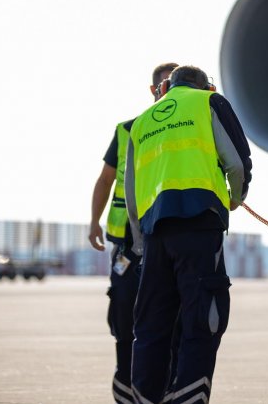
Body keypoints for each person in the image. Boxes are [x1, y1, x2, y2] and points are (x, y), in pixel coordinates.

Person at [125, 65, 252, 404]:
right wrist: (236, 197)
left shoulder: (141, 122)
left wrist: (141, 243)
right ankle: (188, 396)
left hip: (155, 233)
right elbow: (237, 163)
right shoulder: (209, 103)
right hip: (198, 223)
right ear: (204, 85)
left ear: (166, 86)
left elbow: (132, 196)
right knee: (203, 317)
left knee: (151, 324)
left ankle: (146, 397)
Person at [88, 62, 178, 404]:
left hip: (166, 241)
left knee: (171, 321)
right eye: (165, 86)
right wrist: (93, 221)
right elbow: (105, 179)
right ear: (153, 90)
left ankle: (165, 388)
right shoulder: (128, 130)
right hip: (127, 245)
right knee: (124, 320)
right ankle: (126, 389)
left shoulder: (190, 126)